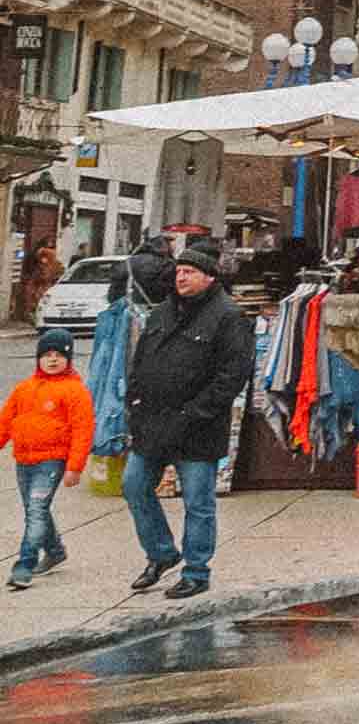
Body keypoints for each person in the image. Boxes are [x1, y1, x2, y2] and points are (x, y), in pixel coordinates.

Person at [122, 238, 254, 599]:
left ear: (209, 277)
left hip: (197, 426)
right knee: (134, 485)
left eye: (189, 271)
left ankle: (196, 570)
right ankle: (162, 553)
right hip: (152, 420)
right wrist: (134, 398)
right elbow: (141, 358)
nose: (181, 277)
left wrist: (196, 412)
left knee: (197, 501)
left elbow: (233, 375)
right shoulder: (163, 311)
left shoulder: (228, 317)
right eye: (179, 271)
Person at [2, 327, 95, 590]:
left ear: (68, 358)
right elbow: (5, 421)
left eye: (59, 355)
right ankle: (54, 550)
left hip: (52, 461)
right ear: (38, 358)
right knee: (35, 511)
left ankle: (24, 565)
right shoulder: (24, 388)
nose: (52, 360)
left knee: (36, 511)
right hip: (24, 460)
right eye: (47, 355)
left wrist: (75, 467)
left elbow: (83, 430)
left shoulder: (75, 391)